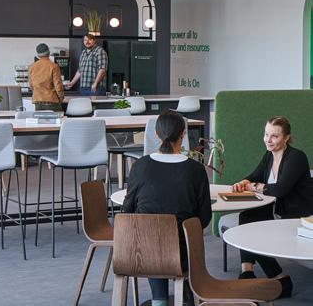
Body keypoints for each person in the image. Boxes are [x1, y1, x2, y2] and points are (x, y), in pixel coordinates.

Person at [122, 110, 211, 306]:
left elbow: (127, 211)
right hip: (183, 253)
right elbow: (204, 218)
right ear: (183, 134)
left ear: (156, 134)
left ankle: (159, 300)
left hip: (141, 253)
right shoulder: (195, 169)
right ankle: (187, 290)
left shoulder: (140, 166)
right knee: (183, 235)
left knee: (151, 234)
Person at [230, 116, 313, 297]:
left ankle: (276, 277)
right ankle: (248, 271)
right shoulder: (269, 155)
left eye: (274, 136)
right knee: (247, 217)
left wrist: (256, 187)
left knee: (253, 228)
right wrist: (243, 182)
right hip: (278, 209)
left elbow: (281, 189)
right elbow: (255, 174)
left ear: (286, 138)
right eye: (266, 134)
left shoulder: (296, 157)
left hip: (295, 214)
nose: (268, 140)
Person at [28, 43, 64, 112]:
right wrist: (61, 98)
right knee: (56, 119)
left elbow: (31, 85)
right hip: (52, 101)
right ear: (49, 52)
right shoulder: (54, 66)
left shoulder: (31, 67)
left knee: (40, 119)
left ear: (38, 55)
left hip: (38, 101)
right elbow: (58, 85)